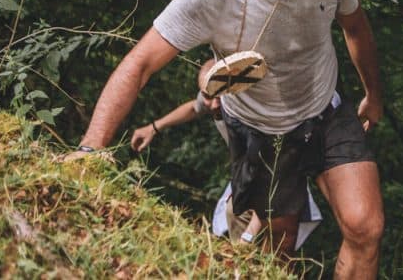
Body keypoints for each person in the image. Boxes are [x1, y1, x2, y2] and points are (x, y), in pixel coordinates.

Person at [74, 0, 384, 279]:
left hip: (325, 110)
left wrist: (373, 94)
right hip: (260, 131)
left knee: (366, 227)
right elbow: (140, 63)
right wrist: (91, 150)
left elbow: (356, 27)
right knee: (278, 248)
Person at [129, 59, 323, 251]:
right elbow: (193, 107)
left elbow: (271, 185)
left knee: (273, 247)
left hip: (280, 184)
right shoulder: (215, 98)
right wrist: (154, 128)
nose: (212, 105)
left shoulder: (255, 118)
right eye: (207, 95)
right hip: (247, 179)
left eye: (218, 97)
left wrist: (246, 239)